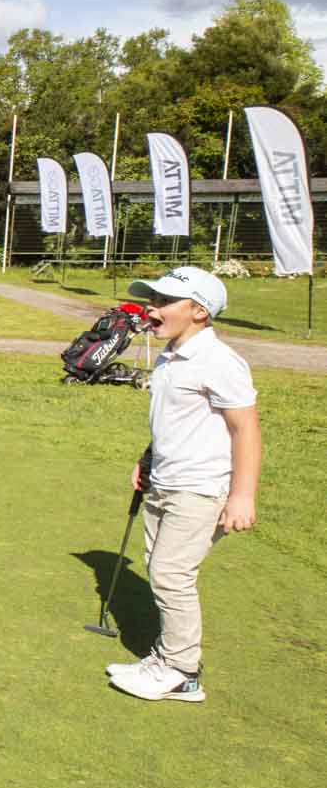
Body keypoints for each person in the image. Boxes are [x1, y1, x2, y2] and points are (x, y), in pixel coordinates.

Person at [105, 266, 260, 703]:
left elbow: (245, 429)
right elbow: (171, 421)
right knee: (159, 568)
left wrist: (242, 495)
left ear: (199, 312)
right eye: (152, 300)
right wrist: (147, 458)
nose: (152, 309)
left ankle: (181, 672)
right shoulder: (168, 356)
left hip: (201, 486)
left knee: (171, 575)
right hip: (166, 480)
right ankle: (167, 657)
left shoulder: (219, 361)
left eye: (164, 302)